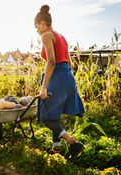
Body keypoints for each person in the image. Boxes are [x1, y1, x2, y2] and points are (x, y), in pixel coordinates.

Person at [35, 5, 85, 160]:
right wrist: (68, 80)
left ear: (42, 23)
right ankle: (56, 149)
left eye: (37, 26)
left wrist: (44, 88)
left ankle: (73, 142)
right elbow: (69, 62)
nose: (37, 30)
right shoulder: (61, 36)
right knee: (53, 116)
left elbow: (51, 61)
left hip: (57, 77)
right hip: (67, 76)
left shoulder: (46, 35)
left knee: (45, 117)